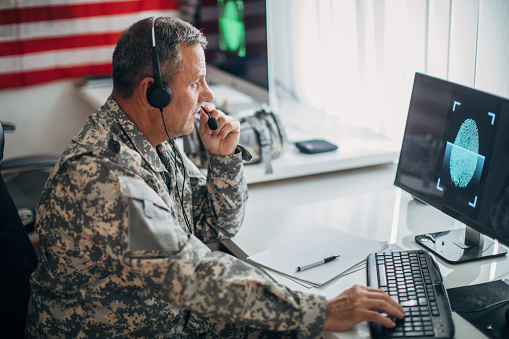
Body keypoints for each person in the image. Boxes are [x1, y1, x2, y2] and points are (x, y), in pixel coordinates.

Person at [26, 17, 404, 338]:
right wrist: (321, 309)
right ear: (153, 92)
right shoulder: (102, 179)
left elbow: (216, 226)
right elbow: (195, 274)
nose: (209, 97)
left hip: (173, 318)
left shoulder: (155, 140)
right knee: (317, 328)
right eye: (196, 83)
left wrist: (223, 159)